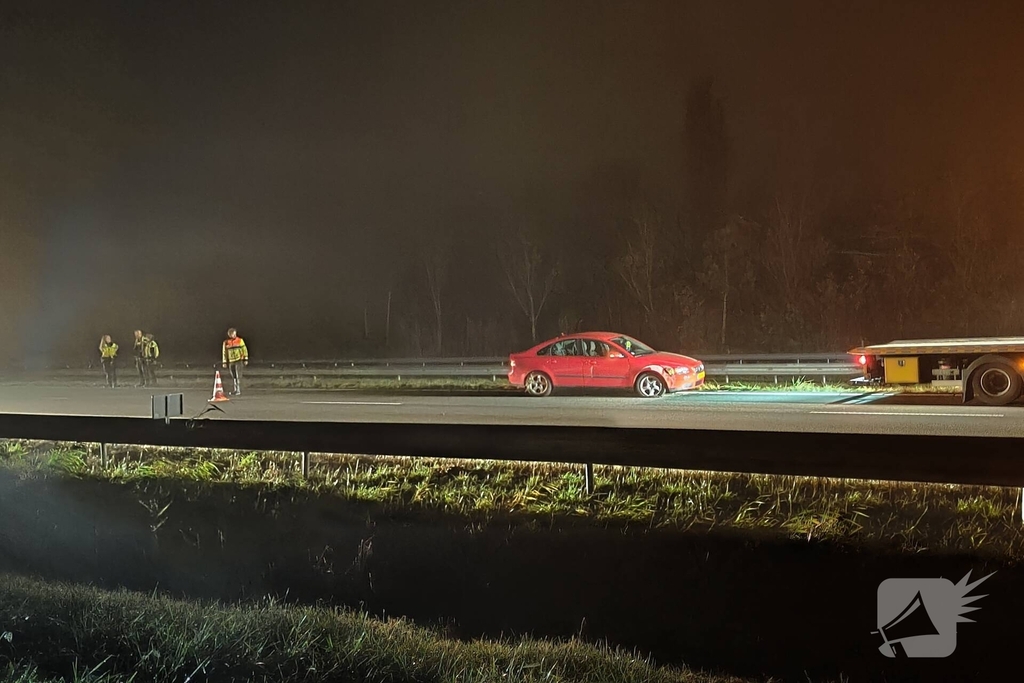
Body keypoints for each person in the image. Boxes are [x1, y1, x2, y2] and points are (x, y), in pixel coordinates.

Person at [222, 328, 248, 395]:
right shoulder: (226, 342)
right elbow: (224, 353)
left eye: (233, 334)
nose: (232, 335)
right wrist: (224, 362)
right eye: (230, 334)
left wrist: (245, 359)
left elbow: (244, 350)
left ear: (235, 333)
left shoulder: (240, 341)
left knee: (238, 375)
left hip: (238, 360)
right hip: (231, 361)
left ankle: (238, 390)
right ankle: (235, 389)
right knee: (233, 376)